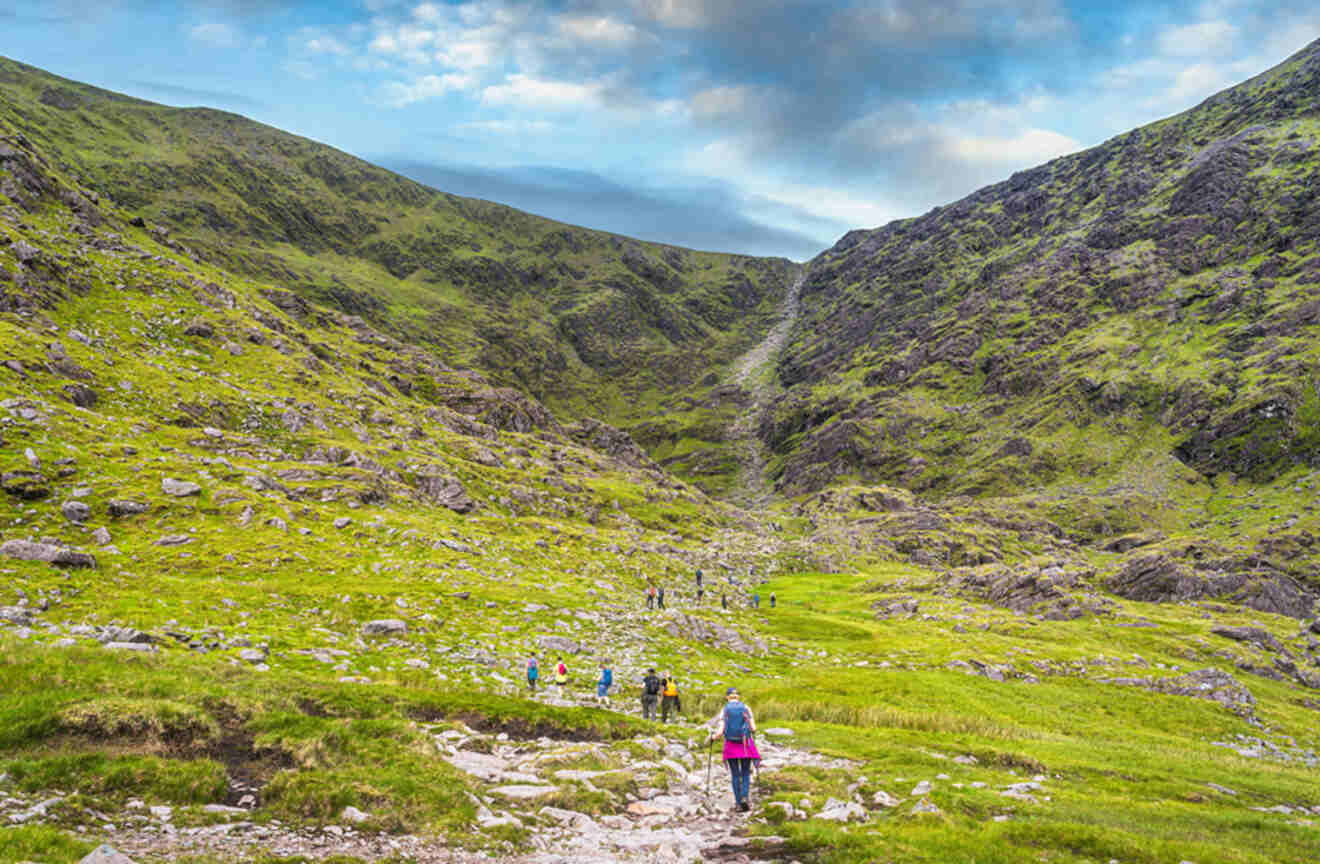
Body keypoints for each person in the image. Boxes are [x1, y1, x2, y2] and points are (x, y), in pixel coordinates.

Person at [708, 687, 760, 812]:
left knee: (735, 774)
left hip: (731, 745)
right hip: (745, 744)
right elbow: (753, 728)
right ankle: (745, 797)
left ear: (727, 697)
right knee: (746, 773)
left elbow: (720, 731)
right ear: (738, 697)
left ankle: (737, 804)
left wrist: (713, 737)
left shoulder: (724, 710)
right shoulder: (746, 708)